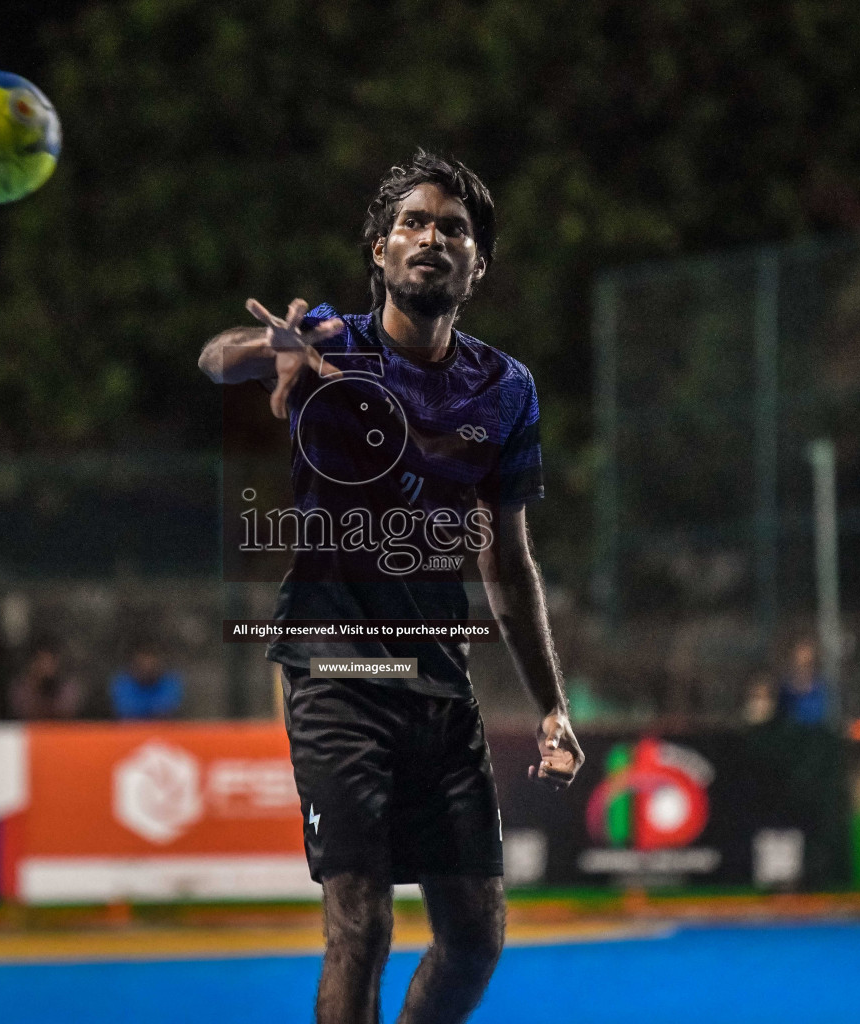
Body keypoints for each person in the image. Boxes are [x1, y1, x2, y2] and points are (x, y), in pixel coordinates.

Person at [199, 150, 582, 1024]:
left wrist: (553, 703)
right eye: (412, 222)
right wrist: (273, 347)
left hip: (436, 676)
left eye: (454, 228)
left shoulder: (508, 388)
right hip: (333, 665)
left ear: (477, 265)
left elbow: (508, 560)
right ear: (378, 250)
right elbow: (218, 359)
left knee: (476, 937)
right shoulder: (333, 343)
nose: (432, 237)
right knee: (360, 926)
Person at [6, 637, 84, 720]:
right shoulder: (20, 688)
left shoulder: (67, 688)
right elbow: (23, 714)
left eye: (48, 662)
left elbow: (66, 714)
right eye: (41, 661)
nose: (44, 667)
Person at [108, 640, 184, 720]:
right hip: (131, 731)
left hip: (163, 730)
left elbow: (167, 708)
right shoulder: (122, 683)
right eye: (143, 660)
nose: (147, 665)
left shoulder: (170, 683)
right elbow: (127, 710)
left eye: (151, 660)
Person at [778, 638, 830, 725]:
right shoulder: (784, 691)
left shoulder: (823, 690)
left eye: (807, 664)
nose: (803, 669)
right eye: (799, 663)